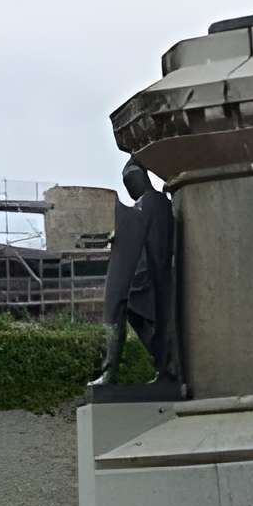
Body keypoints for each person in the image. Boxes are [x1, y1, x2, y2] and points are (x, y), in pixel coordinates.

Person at [93, 158, 182, 390]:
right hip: (141, 273)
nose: (129, 186)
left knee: (149, 316)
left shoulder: (154, 201)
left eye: (130, 179)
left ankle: (165, 367)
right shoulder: (146, 204)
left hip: (149, 275)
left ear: (142, 178)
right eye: (126, 182)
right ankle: (162, 366)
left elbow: (157, 243)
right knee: (136, 314)